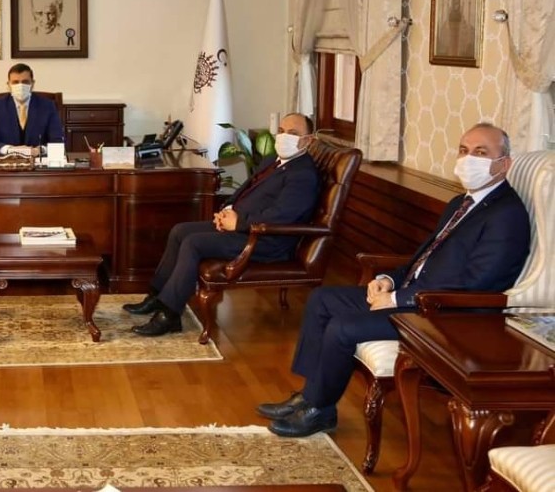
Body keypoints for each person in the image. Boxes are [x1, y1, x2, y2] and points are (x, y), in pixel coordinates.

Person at [257, 123, 531, 438]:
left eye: (481, 152)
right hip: (415, 297)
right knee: (323, 299)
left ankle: (319, 411)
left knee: (342, 327)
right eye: (464, 150)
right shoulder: (461, 203)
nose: (469, 159)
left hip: (445, 314)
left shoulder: (507, 215)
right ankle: (309, 396)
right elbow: (423, 259)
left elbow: (477, 284)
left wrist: (399, 299)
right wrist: (387, 280)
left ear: (504, 163)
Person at [126, 113, 320, 337]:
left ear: (308, 140)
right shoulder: (273, 160)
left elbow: (282, 215)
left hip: (266, 240)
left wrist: (239, 223)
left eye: (293, 133)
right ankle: (157, 297)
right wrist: (227, 209)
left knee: (194, 243)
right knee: (180, 231)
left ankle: (169, 315)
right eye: (281, 131)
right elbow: (246, 188)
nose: (284, 137)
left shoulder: (303, 174)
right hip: (242, 226)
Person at [0, 63, 65, 156]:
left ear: (32, 83)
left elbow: (58, 141)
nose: (20, 86)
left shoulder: (47, 106)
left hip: (37, 161)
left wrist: (40, 150)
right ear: (8, 85)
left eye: (25, 82)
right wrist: (10, 150)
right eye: (15, 82)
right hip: (7, 161)